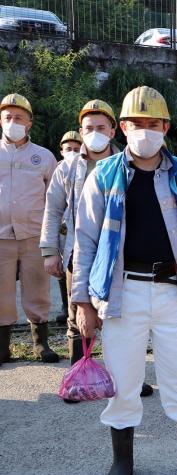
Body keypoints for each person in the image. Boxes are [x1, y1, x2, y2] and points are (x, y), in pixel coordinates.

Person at [73, 86, 177, 475]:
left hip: (174, 290)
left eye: (152, 124)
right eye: (136, 124)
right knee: (123, 378)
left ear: (166, 127)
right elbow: (85, 242)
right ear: (123, 128)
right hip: (123, 292)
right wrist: (82, 301)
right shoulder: (103, 176)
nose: (145, 131)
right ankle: (123, 462)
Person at [41, 100, 157, 401]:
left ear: (113, 130)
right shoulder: (66, 168)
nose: (95, 133)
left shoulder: (128, 164)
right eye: (89, 128)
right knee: (77, 314)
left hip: (118, 255)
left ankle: (128, 379)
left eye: (101, 127)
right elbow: (53, 211)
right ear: (81, 131)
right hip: (77, 255)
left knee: (123, 318)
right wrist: (49, 250)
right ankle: (79, 378)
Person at [0, 93, 59, 364]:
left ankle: (41, 344)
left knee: (38, 291)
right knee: (1, 293)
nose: (13, 122)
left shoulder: (44, 157)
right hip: (1, 237)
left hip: (35, 235)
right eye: (8, 117)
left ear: (29, 123)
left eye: (19, 118)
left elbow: (54, 197)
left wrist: (53, 235)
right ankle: (3, 347)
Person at [53, 131, 84, 325]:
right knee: (62, 271)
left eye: (76, 149)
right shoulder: (57, 170)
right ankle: (67, 307)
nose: (72, 152)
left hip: (78, 228)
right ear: (61, 151)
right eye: (68, 149)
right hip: (61, 229)